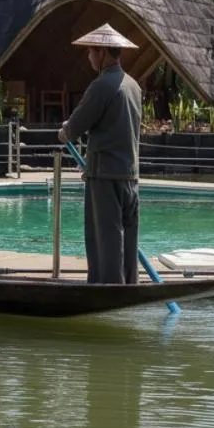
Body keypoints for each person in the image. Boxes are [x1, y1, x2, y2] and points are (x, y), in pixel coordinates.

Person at [56, 24, 142, 285]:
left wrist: (65, 132)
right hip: (130, 176)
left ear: (103, 52)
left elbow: (75, 127)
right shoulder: (133, 86)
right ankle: (129, 285)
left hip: (105, 175)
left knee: (106, 239)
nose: (88, 57)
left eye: (91, 51)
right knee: (127, 238)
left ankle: (109, 290)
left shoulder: (102, 85)